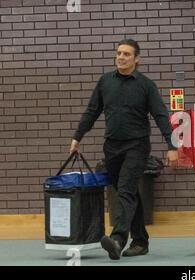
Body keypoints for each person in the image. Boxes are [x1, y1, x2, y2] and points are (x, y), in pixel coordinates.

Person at [69, 39, 178, 260]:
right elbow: (92, 112)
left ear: (136, 59)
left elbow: (161, 116)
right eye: (118, 53)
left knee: (126, 191)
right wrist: (77, 137)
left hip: (137, 146)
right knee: (127, 193)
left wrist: (172, 145)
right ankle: (140, 242)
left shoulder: (146, 85)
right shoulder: (105, 82)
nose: (121, 57)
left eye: (126, 54)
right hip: (112, 147)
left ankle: (118, 239)